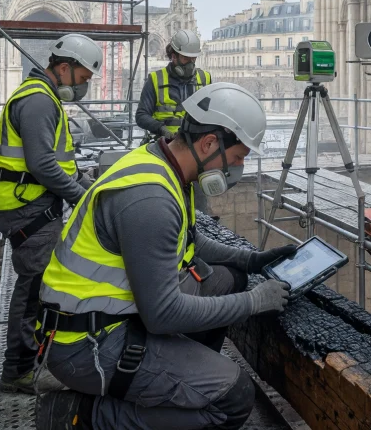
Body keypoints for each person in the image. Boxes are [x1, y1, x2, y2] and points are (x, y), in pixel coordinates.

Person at [35, 82, 297, 430]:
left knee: (228, 279)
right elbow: (163, 314)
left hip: (110, 314)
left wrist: (249, 260)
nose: (236, 170)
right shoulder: (151, 202)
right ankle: (81, 416)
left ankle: (178, 374)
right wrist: (253, 302)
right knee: (235, 397)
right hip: (86, 345)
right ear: (208, 143)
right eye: (237, 158)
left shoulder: (164, 163)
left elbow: (189, 242)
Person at [0, 33, 103, 394]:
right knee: (33, 291)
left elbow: (59, 163)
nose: (84, 87)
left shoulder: (42, 96)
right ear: (65, 67)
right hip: (28, 210)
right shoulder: (39, 102)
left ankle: (29, 362)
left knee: (37, 287)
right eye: (84, 78)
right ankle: (18, 370)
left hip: (32, 206)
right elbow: (42, 166)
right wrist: (81, 197)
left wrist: (87, 185)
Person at [137, 28, 212, 140]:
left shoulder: (204, 78)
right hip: (163, 143)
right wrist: (161, 129)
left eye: (193, 58)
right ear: (173, 56)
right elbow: (141, 116)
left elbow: (212, 113)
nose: (191, 63)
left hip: (194, 144)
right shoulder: (155, 79)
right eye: (186, 58)